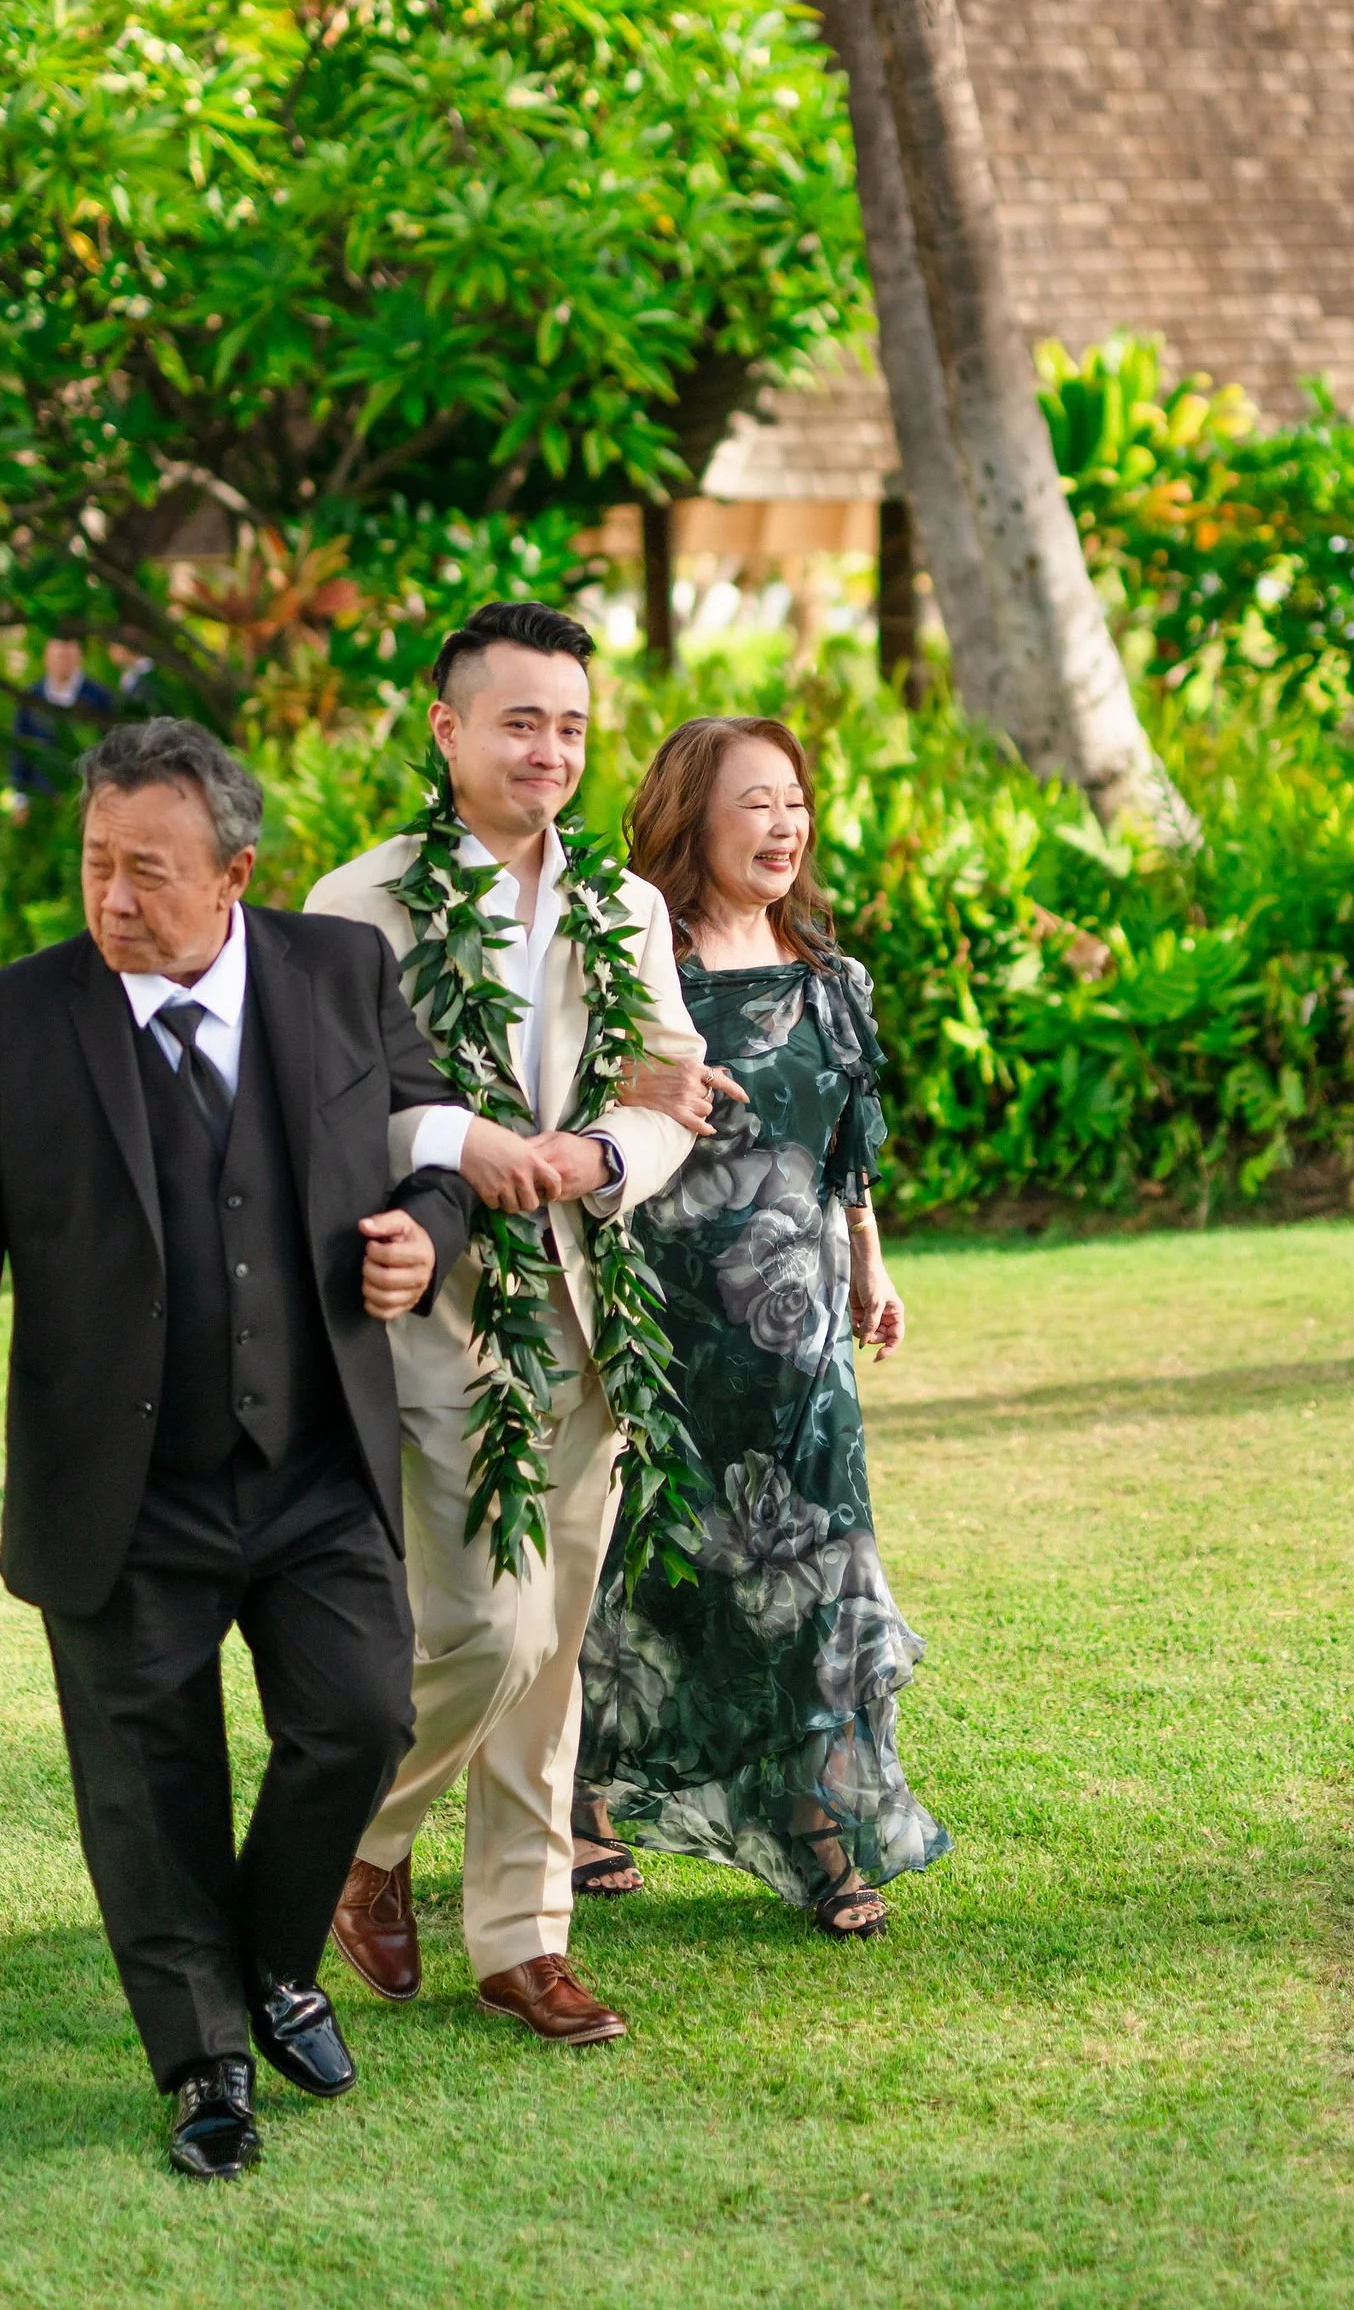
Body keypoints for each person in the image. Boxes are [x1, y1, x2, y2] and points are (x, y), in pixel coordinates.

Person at [0, 717, 473, 2183]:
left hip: (315, 1462)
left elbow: (437, 1144)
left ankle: (275, 1961)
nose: (112, 901)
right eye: (96, 867)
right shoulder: (13, 1023)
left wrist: (430, 1232)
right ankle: (209, 2059)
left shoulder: (341, 974)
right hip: (118, 1485)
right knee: (147, 1786)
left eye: (147, 873)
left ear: (237, 874)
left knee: (359, 1718)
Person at [304, 598, 708, 2048]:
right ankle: (356, 1840)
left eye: (573, 728)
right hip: (433, 1291)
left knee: (558, 1646)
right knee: (486, 1620)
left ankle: (523, 1940)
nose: (550, 752)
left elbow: (672, 1087)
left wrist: (603, 1158)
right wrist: (467, 1138)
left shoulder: (628, 907)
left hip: (594, 1297)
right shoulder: (366, 899)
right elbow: (327, 1098)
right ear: (449, 728)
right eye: (521, 721)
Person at [573, 715, 949, 1937]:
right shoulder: (637, 966)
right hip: (667, 1324)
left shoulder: (832, 980)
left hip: (805, 1346)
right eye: (754, 802)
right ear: (691, 816)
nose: (783, 825)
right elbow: (574, 1107)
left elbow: (843, 1156)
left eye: (794, 801)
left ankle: (820, 1825)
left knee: (819, 1567)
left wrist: (869, 1267)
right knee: (650, 1563)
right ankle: (578, 1791)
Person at [9, 632, 113, 818]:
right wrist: (20, 795)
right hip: (41, 794)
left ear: (78, 658)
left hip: (86, 793)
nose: (63, 662)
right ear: (47, 658)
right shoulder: (32, 696)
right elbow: (20, 745)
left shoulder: (98, 697)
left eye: (69, 656)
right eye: (59, 656)